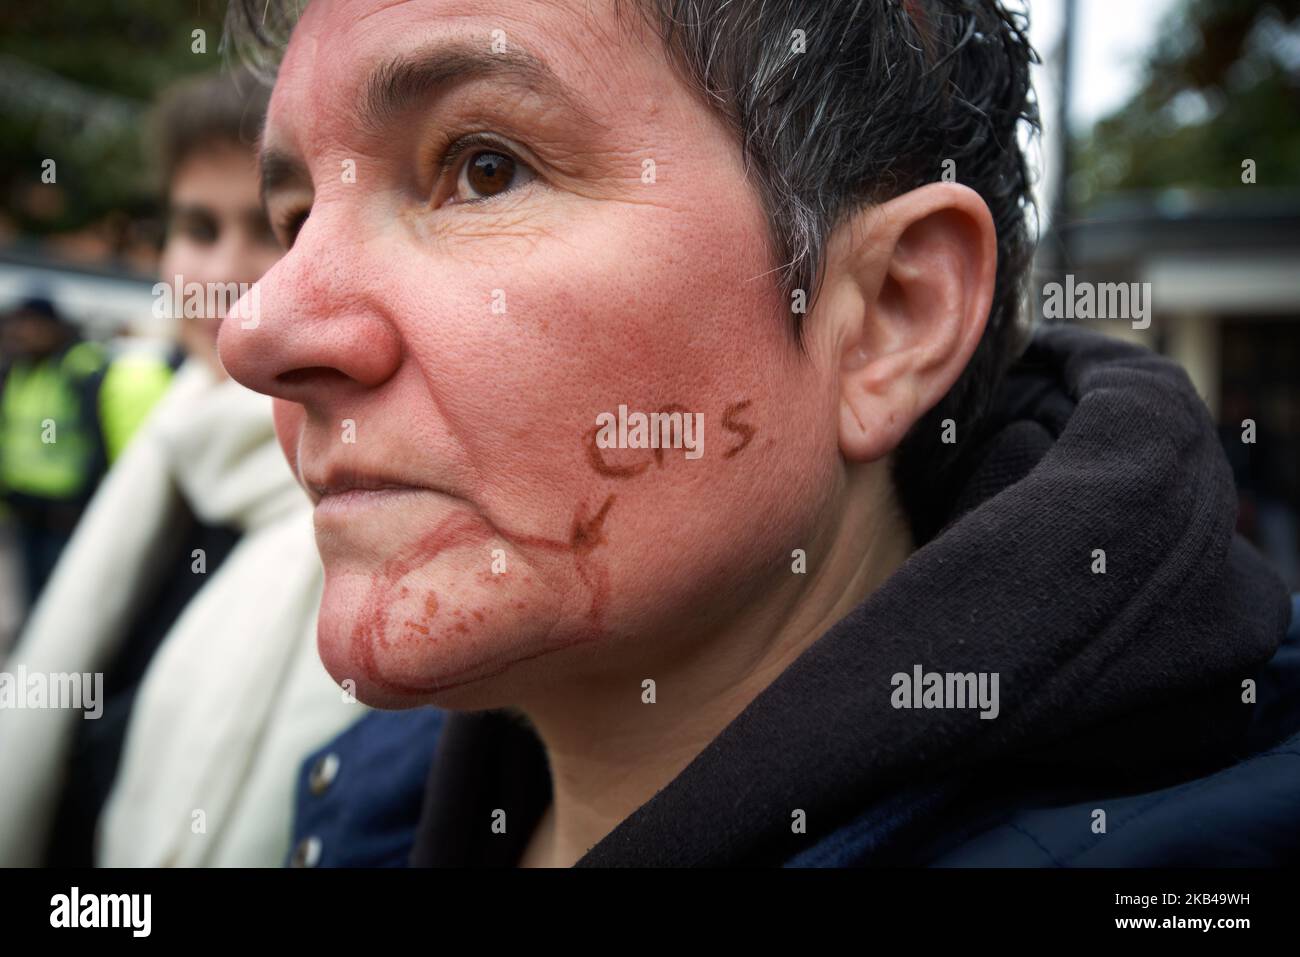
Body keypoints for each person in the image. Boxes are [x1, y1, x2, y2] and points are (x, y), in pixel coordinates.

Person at [222, 0, 1299, 866]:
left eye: (484, 166)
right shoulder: (354, 798)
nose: (258, 326)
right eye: (294, 218)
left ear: (887, 318)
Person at [0, 69, 360, 867]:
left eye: (272, 228)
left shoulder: (373, 520)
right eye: (197, 227)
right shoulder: (172, 449)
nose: (227, 268)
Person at [0, 293, 171, 608]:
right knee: (32, 597)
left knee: (64, 599)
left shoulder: (82, 368)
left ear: (53, 327)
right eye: (18, 324)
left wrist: (91, 499)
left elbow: (99, 438)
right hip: (25, 508)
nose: (22, 332)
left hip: (66, 512)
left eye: (32, 324)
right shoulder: (17, 369)